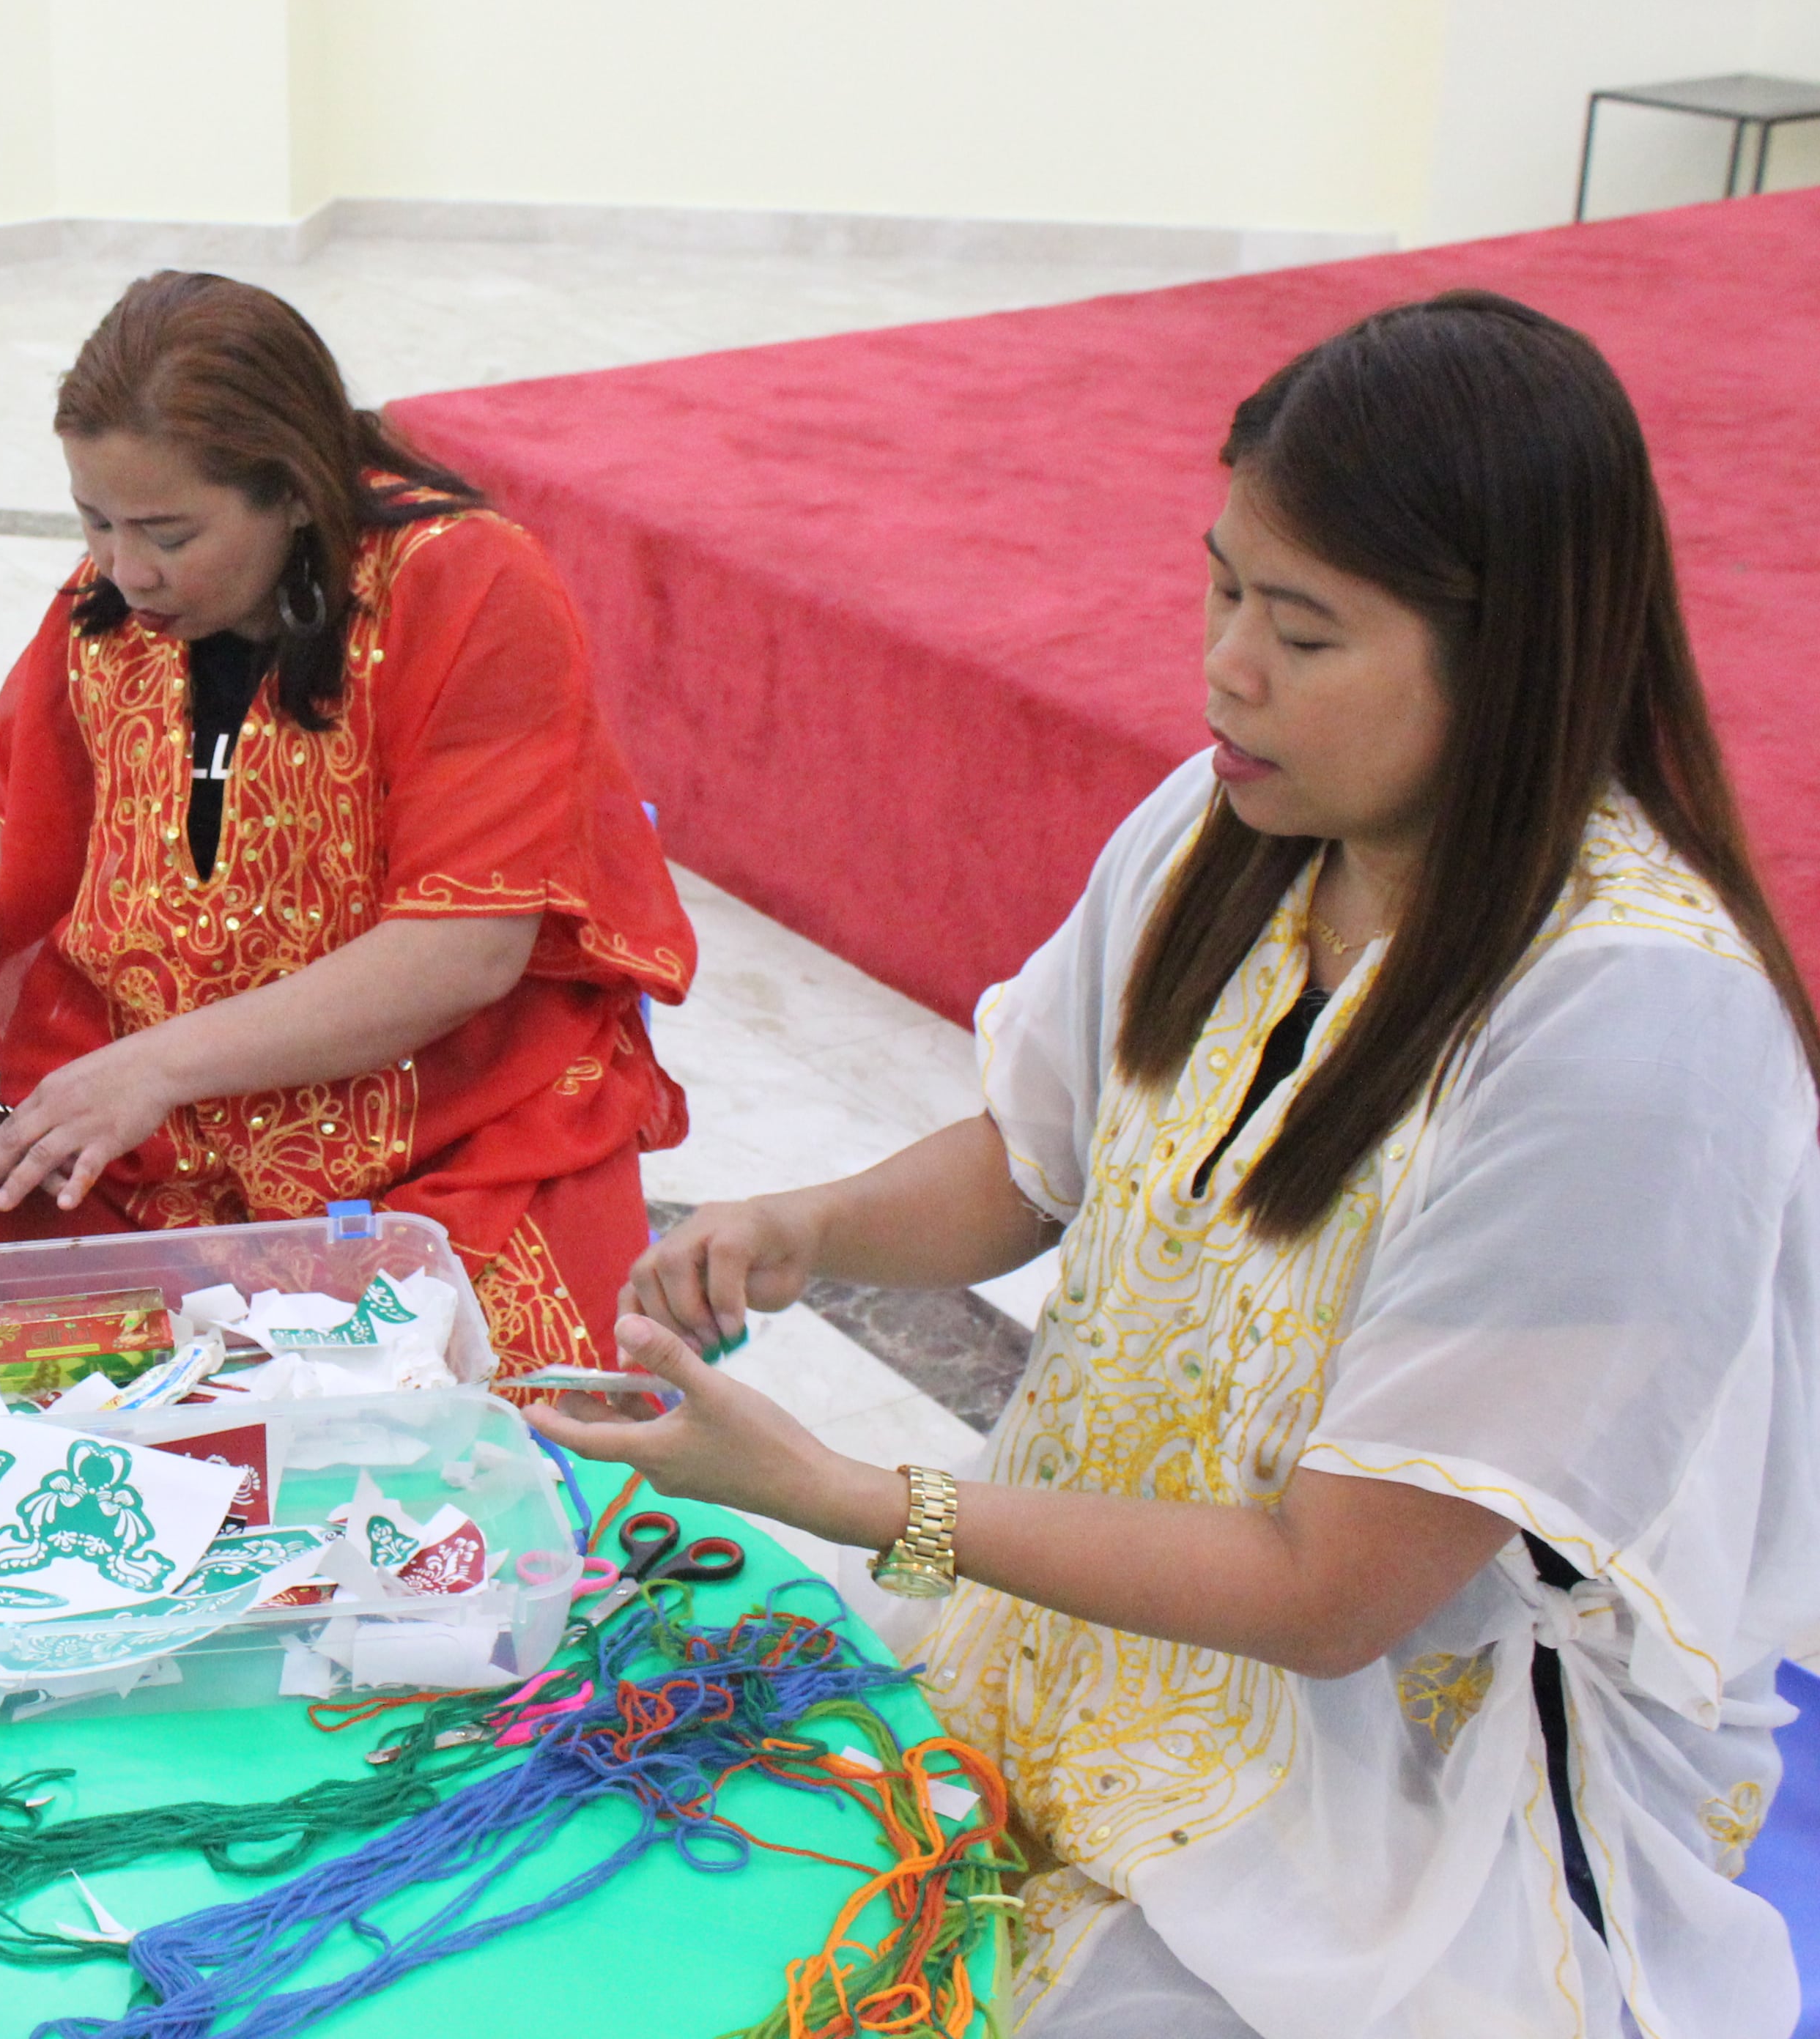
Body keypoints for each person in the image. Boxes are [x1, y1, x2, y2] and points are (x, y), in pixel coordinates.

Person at [542, 292, 1820, 2036]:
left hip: (1378, 1782)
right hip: (1069, 1633)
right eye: (1222, 591)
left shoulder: (1634, 1021)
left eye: (1301, 631)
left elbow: (1333, 1592)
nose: (1226, 667)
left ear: (1510, 659)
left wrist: (855, 1494)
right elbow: (1033, 1158)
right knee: (661, 1882)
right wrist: (810, 1223)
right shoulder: (1232, 820)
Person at [0, 270, 697, 1377]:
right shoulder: (113, 606)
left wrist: (154, 1069)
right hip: (163, 1160)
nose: (126, 568)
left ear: (295, 491)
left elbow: (465, 949)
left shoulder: (466, 587)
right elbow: (25, 809)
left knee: (497, 1408)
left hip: (452, 1145)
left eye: (168, 531)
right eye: (95, 521)